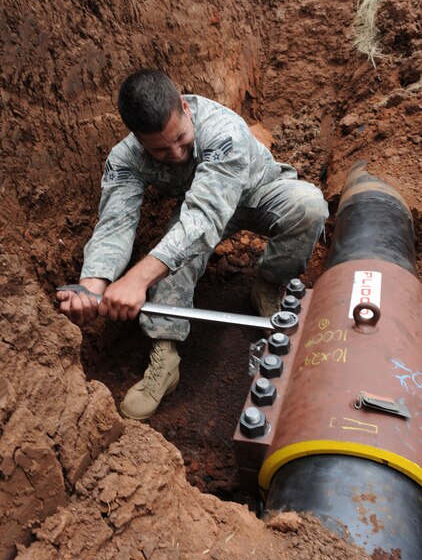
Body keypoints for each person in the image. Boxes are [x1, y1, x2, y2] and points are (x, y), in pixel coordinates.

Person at [56, 68, 329, 421]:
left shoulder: (222, 129)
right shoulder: (124, 159)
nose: (176, 153)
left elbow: (204, 217)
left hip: (258, 192)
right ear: (138, 139)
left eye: (182, 140)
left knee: (308, 207)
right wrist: (92, 285)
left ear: (185, 107)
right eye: (160, 149)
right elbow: (115, 225)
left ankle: (269, 282)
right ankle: (166, 352)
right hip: (198, 207)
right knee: (173, 255)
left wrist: (137, 279)